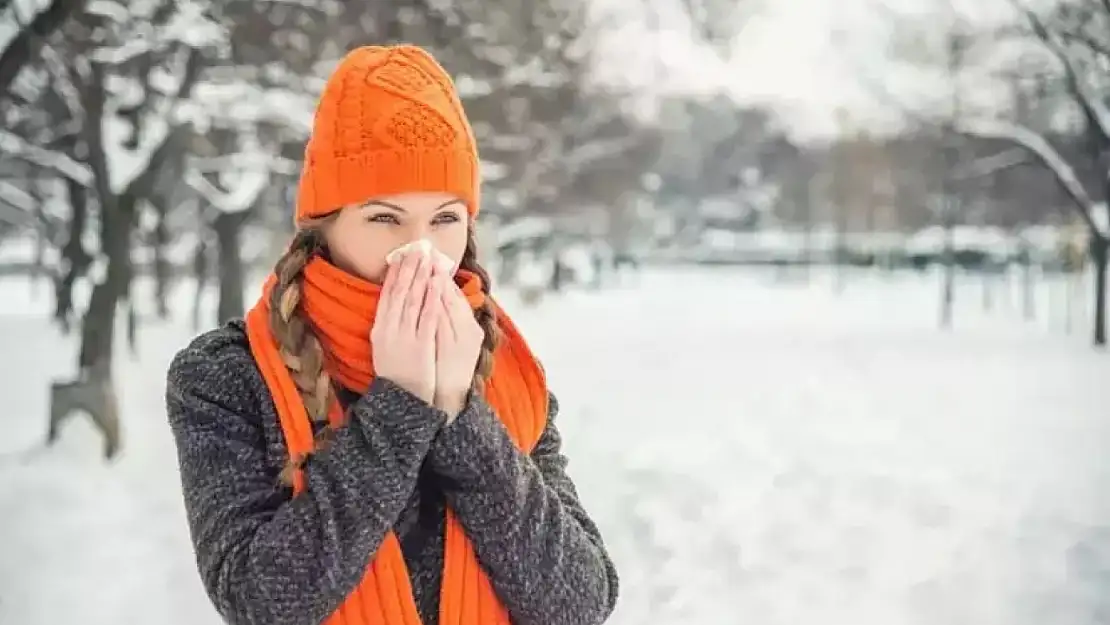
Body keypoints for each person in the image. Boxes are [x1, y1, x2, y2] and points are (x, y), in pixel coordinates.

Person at [164, 44, 619, 625]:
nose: (421, 249)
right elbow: (259, 601)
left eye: (445, 218)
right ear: (324, 224)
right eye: (384, 217)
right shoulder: (226, 375)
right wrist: (400, 406)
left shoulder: (504, 372)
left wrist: (461, 416)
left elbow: (580, 604)